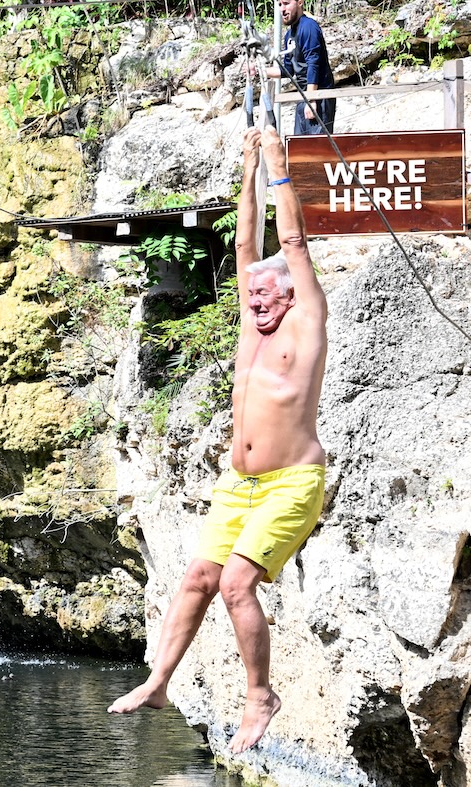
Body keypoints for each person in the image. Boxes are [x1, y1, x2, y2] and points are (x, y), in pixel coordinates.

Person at [107, 125, 327, 755]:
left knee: (235, 584)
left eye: (265, 292)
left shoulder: (306, 321)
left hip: (291, 483)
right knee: (199, 578)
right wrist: (248, 169)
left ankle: (261, 696)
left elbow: (290, 241)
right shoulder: (251, 328)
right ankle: (158, 681)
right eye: (250, 292)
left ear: (290, 295)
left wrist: (280, 167)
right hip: (239, 484)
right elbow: (247, 242)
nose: (254, 299)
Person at [269, 0, 336, 135]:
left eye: (286, 3)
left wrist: (311, 100)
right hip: (303, 96)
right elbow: (287, 70)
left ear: (300, 2)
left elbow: (313, 64)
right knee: (298, 148)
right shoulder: (289, 35)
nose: (283, 9)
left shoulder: (309, 26)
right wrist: (261, 71)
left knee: (317, 150)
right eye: (280, 5)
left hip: (318, 97)